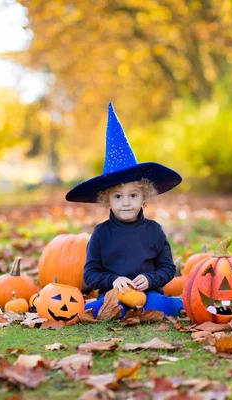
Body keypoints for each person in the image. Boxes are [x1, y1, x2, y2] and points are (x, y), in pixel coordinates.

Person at [65, 103, 184, 318]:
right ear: (106, 199)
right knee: (88, 311)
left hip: (148, 296)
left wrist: (150, 279)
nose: (126, 202)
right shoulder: (101, 233)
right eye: (118, 196)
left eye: (133, 195)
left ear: (144, 196)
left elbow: (167, 268)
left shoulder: (154, 231)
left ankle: (189, 303)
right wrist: (113, 280)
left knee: (166, 306)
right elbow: (90, 275)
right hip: (113, 297)